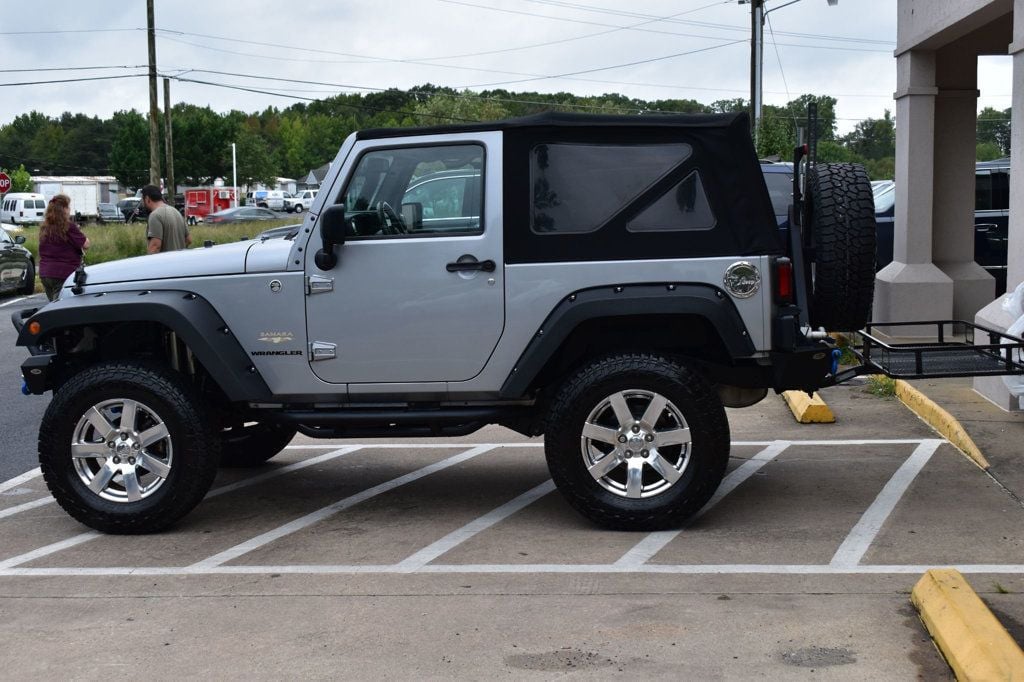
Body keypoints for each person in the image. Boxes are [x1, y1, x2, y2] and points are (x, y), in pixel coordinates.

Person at [38, 194, 90, 302]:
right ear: (64, 209)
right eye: (68, 207)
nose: (70, 210)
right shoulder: (68, 226)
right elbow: (85, 244)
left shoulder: (44, 227)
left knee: (52, 304)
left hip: (45, 273)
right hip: (62, 273)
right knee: (60, 308)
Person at [141, 184, 191, 254]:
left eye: (142, 200)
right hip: (179, 262)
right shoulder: (176, 212)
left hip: (164, 263)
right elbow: (189, 240)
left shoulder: (155, 215)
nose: (142, 204)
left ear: (147, 199)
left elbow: (155, 246)